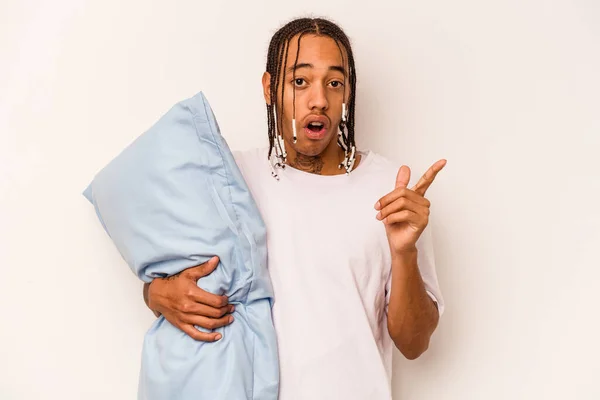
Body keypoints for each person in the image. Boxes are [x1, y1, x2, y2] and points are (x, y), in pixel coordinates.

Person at [143, 17, 446, 399]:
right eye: (299, 81)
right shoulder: (230, 179)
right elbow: (172, 269)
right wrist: (155, 293)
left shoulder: (393, 190)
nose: (318, 99)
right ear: (270, 89)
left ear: (347, 93)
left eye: (334, 83)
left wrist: (405, 253)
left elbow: (414, 343)